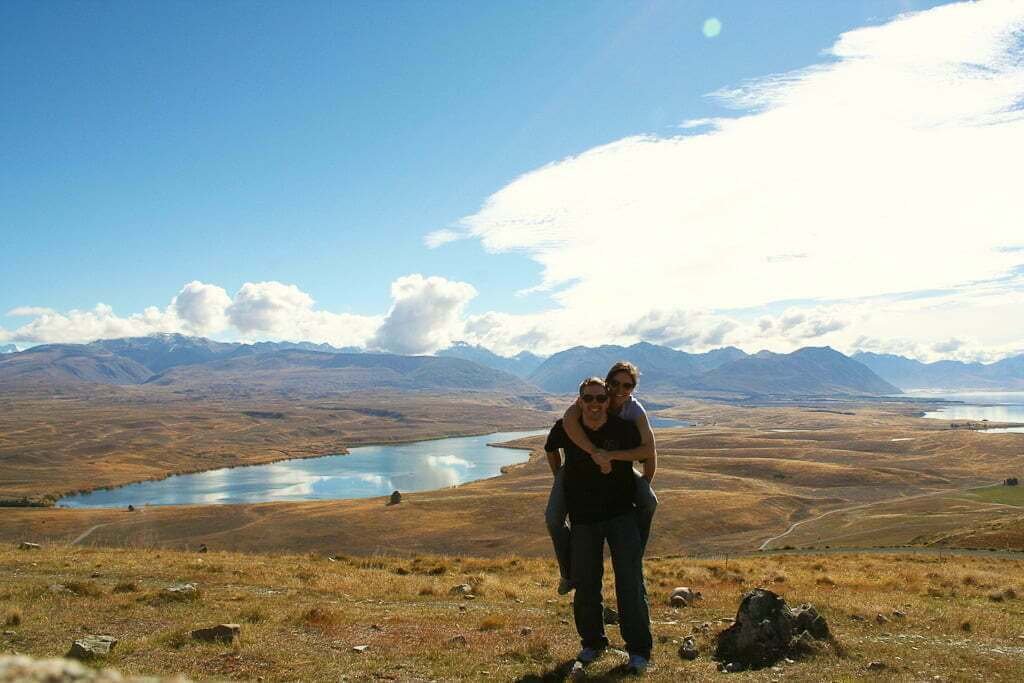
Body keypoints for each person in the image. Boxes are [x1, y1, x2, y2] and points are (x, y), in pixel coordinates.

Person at [544, 377, 653, 675]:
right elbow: (550, 448)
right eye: (588, 398)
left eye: (600, 399)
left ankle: (639, 650)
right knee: (586, 586)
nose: (594, 404)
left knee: (630, 583)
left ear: (608, 401)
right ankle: (593, 642)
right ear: (579, 400)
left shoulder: (622, 428)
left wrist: (618, 459)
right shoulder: (566, 427)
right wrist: (560, 478)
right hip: (583, 520)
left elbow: (644, 453)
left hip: (622, 515)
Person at [545, 361, 657, 594]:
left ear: (633, 388)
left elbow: (649, 448)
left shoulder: (635, 410)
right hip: (576, 468)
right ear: (607, 384)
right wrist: (560, 477)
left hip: (617, 463)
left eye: (627, 385)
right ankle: (568, 574)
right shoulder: (584, 403)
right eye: (614, 383)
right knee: (553, 518)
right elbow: (564, 428)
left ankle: (635, 557)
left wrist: (645, 480)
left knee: (649, 502)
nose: (619, 389)